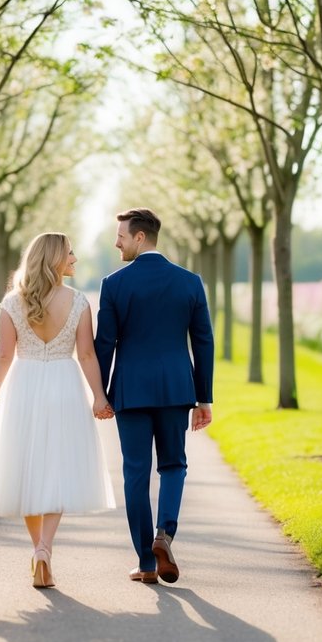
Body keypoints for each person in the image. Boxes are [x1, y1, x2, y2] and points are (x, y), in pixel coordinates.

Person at [0, 232, 116, 588]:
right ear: (54, 259)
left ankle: (37, 548)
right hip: (65, 386)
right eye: (70, 253)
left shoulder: (11, 303)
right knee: (59, 469)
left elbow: (3, 356)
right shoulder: (79, 302)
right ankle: (45, 550)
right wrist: (99, 396)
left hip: (24, 387)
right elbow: (86, 355)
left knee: (28, 469)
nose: (75, 259)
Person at [94, 208, 214, 585]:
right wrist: (204, 397)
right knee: (174, 465)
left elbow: (105, 343)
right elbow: (203, 342)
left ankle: (147, 562)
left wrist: (99, 393)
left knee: (135, 473)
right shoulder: (190, 282)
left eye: (121, 236)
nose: (117, 243)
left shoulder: (114, 283)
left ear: (140, 238)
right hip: (177, 389)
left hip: (131, 390)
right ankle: (165, 533)